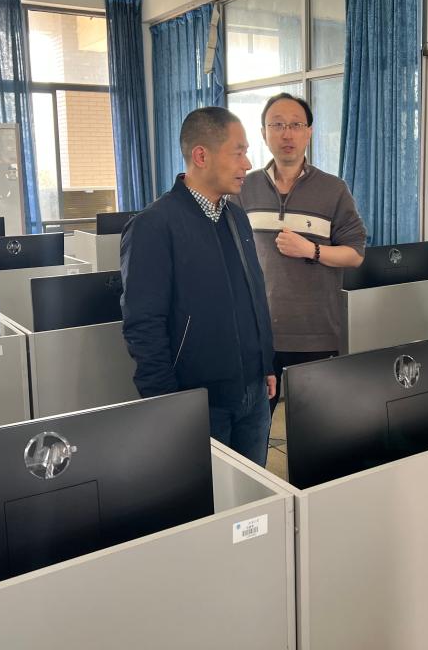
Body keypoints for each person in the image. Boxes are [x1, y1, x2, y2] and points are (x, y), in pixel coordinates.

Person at [120, 106, 276, 466]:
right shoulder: (153, 226)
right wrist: (167, 402)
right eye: (238, 152)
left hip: (253, 393)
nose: (248, 163)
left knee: (254, 493)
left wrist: (265, 362)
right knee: (209, 496)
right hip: (199, 401)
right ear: (201, 156)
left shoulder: (236, 217)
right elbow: (143, 324)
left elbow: (253, 296)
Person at [234, 92, 366, 412]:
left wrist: (311, 250)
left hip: (315, 332)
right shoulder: (243, 187)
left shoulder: (333, 189)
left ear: (309, 132)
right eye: (277, 125)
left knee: (317, 424)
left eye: (295, 125)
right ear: (264, 133)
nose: (287, 134)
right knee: (256, 423)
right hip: (258, 333)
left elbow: (355, 254)